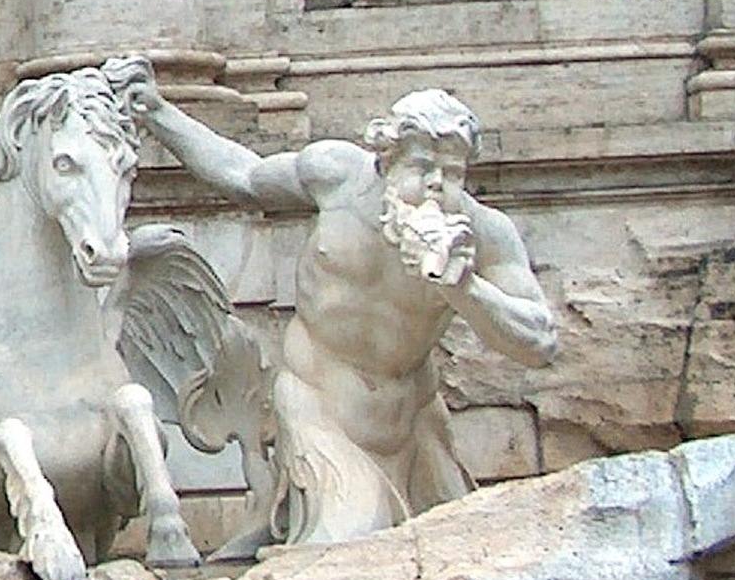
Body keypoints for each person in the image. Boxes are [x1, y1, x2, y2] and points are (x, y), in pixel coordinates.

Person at [126, 80, 557, 544]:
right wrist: (157, 113)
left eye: (452, 174)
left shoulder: (486, 233)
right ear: (386, 161)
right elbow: (242, 176)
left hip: (415, 424)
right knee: (349, 547)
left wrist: (465, 287)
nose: (437, 184)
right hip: (320, 409)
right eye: (422, 167)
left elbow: (539, 342)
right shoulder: (337, 177)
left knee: (454, 548)